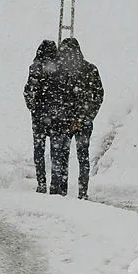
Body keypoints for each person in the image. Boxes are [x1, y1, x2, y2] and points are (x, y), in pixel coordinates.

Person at [56, 37, 104, 199]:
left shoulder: (64, 71)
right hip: (83, 120)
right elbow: (99, 95)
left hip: (68, 120)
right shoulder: (90, 69)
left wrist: (67, 116)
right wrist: (89, 115)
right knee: (83, 156)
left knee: (64, 155)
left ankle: (63, 190)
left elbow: (60, 97)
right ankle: (82, 192)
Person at [23, 40, 62, 193]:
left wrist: (32, 107)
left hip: (39, 115)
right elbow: (63, 91)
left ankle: (41, 182)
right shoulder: (59, 67)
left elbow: (29, 90)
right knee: (56, 150)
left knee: (39, 149)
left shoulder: (35, 67)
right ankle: (55, 183)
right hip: (56, 116)